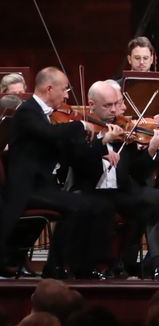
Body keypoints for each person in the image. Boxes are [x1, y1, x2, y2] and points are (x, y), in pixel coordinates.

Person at [69, 80, 159, 280]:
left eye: (117, 103)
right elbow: (79, 165)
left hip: (123, 192)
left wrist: (152, 148)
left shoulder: (124, 129)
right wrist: (101, 143)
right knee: (148, 210)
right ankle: (147, 264)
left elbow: (138, 172)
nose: (115, 110)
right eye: (108, 106)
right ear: (91, 105)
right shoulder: (80, 130)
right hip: (95, 192)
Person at [0, 68, 112, 279]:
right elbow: (49, 134)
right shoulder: (27, 111)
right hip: (26, 188)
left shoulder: (48, 116)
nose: (67, 95)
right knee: (77, 207)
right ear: (49, 89)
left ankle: (83, 266)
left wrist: (101, 147)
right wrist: (79, 124)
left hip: (44, 186)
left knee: (95, 206)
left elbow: (68, 152)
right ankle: (57, 267)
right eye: (64, 89)